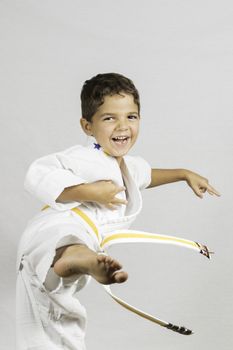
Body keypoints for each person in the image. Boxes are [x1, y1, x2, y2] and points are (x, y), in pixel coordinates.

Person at [16, 73, 220, 349]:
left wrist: (184, 174)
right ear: (87, 126)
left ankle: (78, 262)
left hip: (83, 239)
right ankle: (76, 258)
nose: (123, 126)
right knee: (67, 246)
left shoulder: (126, 164)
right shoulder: (82, 156)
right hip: (57, 227)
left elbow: (146, 176)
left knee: (62, 322)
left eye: (131, 117)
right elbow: (38, 174)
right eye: (110, 118)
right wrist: (88, 192)